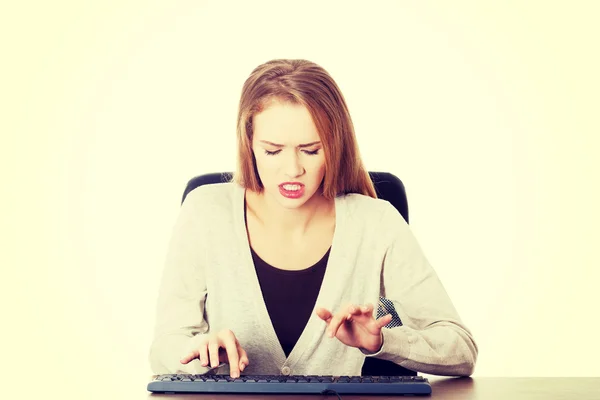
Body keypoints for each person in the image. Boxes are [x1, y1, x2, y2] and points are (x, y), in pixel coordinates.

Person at [148, 59, 478, 379]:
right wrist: (198, 351)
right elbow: (164, 346)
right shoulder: (205, 211)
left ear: (334, 145)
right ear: (248, 143)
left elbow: (461, 349)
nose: (292, 170)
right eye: (272, 151)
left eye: (310, 149)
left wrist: (382, 341)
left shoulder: (376, 222)